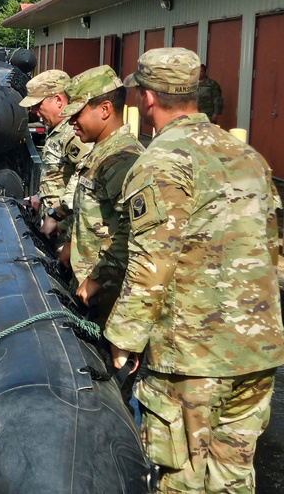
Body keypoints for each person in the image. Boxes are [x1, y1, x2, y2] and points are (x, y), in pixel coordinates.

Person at [106, 48, 284, 493]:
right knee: (234, 479)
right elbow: (274, 251)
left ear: (147, 98)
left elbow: (152, 262)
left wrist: (124, 340)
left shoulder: (162, 161)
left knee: (180, 480)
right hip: (256, 351)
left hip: (191, 360)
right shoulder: (247, 156)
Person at [59, 65, 144, 324]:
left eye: (78, 115)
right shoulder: (101, 153)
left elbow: (134, 230)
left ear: (105, 109)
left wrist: (97, 278)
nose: (72, 122)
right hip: (90, 285)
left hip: (108, 292)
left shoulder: (122, 160)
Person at [19, 69, 91, 242]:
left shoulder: (73, 133)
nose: (35, 112)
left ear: (58, 100)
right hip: (56, 227)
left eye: (38, 105)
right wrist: (39, 197)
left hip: (68, 231)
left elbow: (85, 178)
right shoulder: (57, 130)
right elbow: (58, 175)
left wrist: (55, 215)